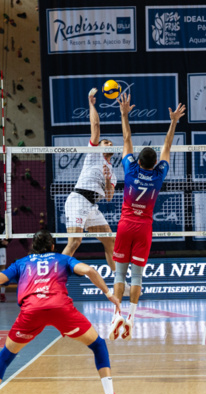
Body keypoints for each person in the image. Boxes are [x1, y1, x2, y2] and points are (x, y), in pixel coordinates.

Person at [0, 230, 131, 394]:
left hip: (31, 312)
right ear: (53, 246)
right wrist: (108, 294)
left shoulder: (21, 263)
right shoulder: (62, 259)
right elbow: (90, 271)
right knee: (97, 345)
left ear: (33, 247)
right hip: (61, 309)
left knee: (5, 357)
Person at [108, 93, 185, 341]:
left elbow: (127, 137)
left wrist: (124, 114)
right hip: (144, 228)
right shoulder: (159, 174)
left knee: (119, 274)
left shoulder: (130, 169)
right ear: (154, 164)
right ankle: (130, 317)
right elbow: (167, 146)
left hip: (125, 225)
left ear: (138, 160)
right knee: (137, 276)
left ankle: (115, 316)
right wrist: (173, 122)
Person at [62, 88, 118, 285]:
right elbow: (95, 125)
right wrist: (91, 103)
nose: (107, 144)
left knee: (110, 241)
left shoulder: (112, 172)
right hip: (78, 200)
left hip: (93, 206)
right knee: (75, 242)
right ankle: (54, 280)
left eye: (110, 143)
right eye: (105, 142)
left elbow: (110, 197)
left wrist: (105, 180)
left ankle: (120, 282)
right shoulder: (94, 154)